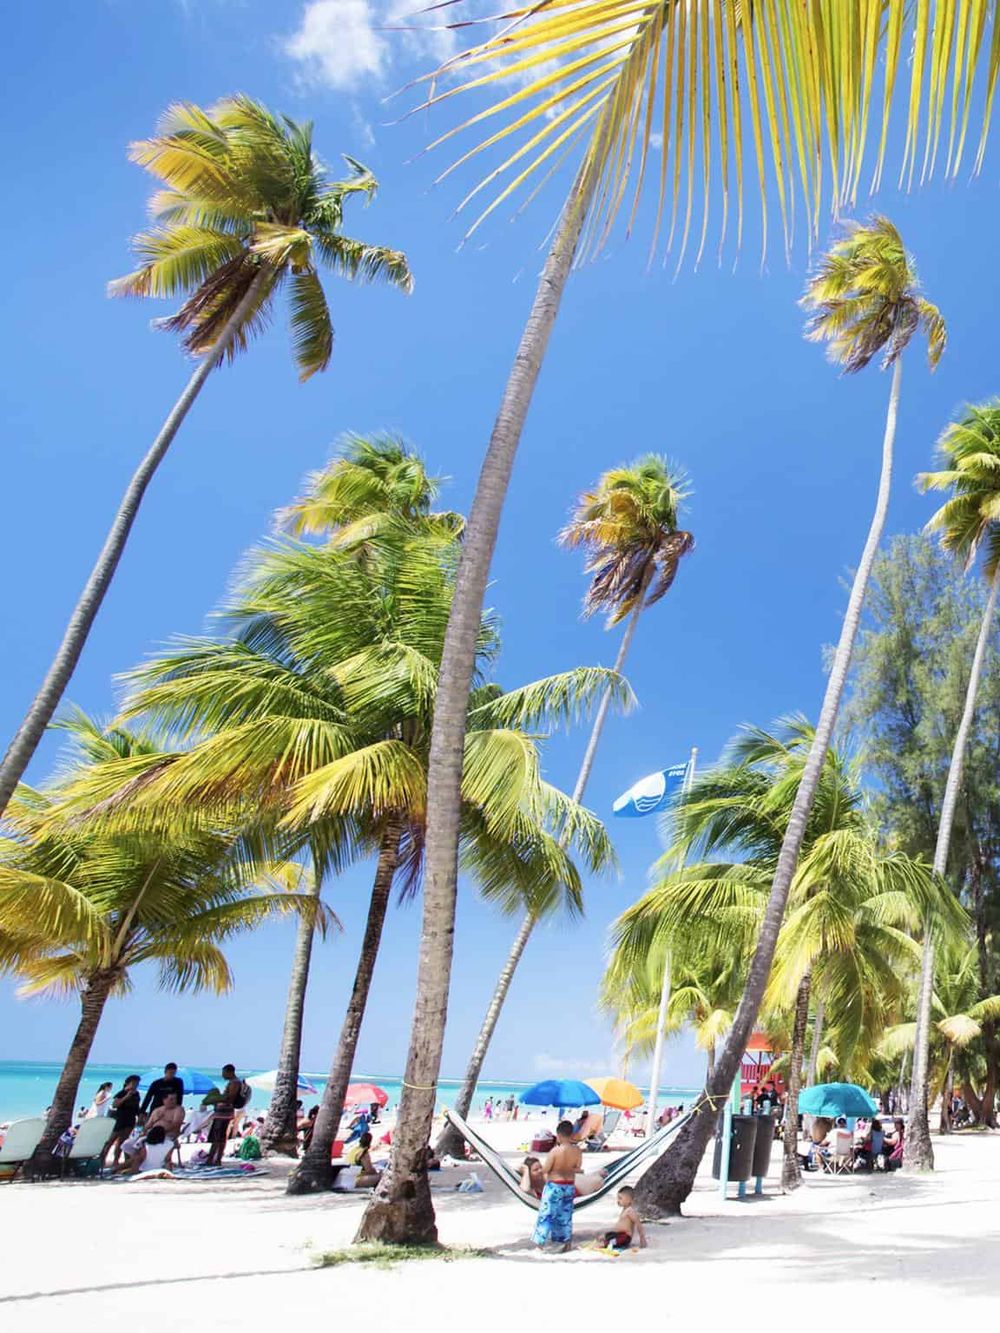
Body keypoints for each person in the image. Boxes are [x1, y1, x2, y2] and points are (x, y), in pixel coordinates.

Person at [531, 1120, 581, 1252]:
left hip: (554, 1186)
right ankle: (566, 1244)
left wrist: (538, 1171)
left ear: (558, 1135)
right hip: (569, 1186)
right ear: (572, 1134)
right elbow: (577, 1168)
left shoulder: (555, 1151)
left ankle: (539, 1246)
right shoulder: (577, 1151)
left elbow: (546, 1169)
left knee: (546, 1215)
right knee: (565, 1216)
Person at [206, 1065, 243, 1167]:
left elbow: (230, 1099)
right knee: (219, 1136)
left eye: (224, 1073)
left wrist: (217, 1101)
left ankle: (214, 1159)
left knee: (218, 1136)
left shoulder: (234, 1083)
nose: (222, 1075)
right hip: (224, 1113)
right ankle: (215, 1159)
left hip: (223, 1114)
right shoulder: (234, 1082)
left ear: (229, 1072)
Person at [106, 1076, 142, 1170]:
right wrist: (126, 1097)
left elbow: (137, 1107)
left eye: (137, 1083)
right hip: (120, 1118)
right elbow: (115, 1105)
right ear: (127, 1083)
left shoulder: (136, 1094)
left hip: (130, 1119)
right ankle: (102, 1160)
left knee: (122, 1142)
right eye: (133, 1083)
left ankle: (116, 1161)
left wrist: (140, 1117)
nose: (135, 1085)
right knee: (111, 1141)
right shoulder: (122, 1093)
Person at [145, 1092, 185, 1167]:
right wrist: (145, 1131)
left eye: (175, 1099)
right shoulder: (157, 1110)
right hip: (153, 1134)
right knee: (130, 1143)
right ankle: (137, 1161)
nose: (174, 1101)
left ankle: (162, 1162)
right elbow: (148, 1125)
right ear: (164, 1100)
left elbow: (176, 1124)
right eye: (171, 1099)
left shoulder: (178, 1109)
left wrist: (160, 1131)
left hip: (169, 1134)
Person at [603, 1186, 647, 1251]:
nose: (618, 1201)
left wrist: (642, 1238)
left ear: (629, 1200)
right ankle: (606, 1241)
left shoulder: (630, 1211)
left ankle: (605, 1244)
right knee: (605, 1236)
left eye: (620, 1198)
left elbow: (638, 1224)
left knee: (606, 1244)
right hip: (618, 1235)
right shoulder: (624, 1209)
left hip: (624, 1237)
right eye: (617, 1198)